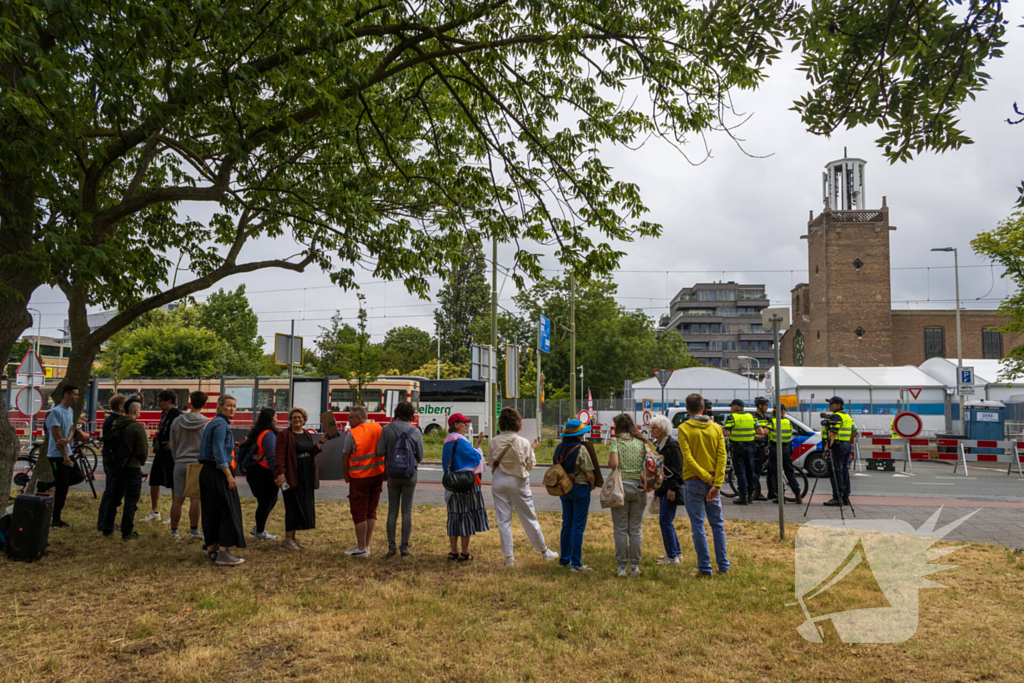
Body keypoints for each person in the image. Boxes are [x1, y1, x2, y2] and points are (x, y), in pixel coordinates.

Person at [488, 407, 559, 567]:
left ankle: (509, 558)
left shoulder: (493, 441)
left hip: (499, 480)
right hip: (518, 481)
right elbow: (530, 465)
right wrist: (532, 450)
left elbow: (491, 463)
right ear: (518, 423)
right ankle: (544, 551)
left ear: (501, 423)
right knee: (529, 517)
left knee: (503, 521)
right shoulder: (524, 442)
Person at [677, 393, 730, 577]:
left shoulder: (684, 428)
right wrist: (716, 483)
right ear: (703, 408)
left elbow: (688, 458)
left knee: (698, 526)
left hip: (693, 481)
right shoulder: (716, 428)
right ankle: (723, 566)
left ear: (687, 409)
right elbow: (722, 456)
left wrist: (705, 478)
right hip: (714, 482)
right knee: (718, 525)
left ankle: (705, 567)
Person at [198, 394, 246, 566]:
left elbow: (214, 447)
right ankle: (224, 552)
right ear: (219, 406)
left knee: (211, 511)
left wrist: (228, 447)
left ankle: (212, 550)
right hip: (218, 472)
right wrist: (228, 475)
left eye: (234, 406)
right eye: (228, 405)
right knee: (229, 511)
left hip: (207, 472)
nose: (232, 409)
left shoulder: (212, 423)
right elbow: (217, 451)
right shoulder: (221, 424)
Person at [376, 401, 424, 558]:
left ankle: (391, 547)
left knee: (392, 510)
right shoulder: (415, 431)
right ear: (410, 414)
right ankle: (404, 547)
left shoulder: (387, 429)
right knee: (407, 511)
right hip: (410, 475)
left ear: (396, 412)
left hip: (392, 474)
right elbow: (421, 456)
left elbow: (379, 451)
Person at [274, 407, 326, 552]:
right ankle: (287, 540)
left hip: (306, 475)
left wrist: (321, 441)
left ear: (304, 419)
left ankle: (293, 537)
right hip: (291, 474)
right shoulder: (284, 435)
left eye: (300, 417)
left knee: (301, 505)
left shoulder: (307, 434)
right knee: (292, 505)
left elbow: (311, 452)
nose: (297, 419)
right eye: (294, 417)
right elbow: (279, 456)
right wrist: (281, 473)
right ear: (290, 420)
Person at [608, 413, 651, 576]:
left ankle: (621, 567)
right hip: (640, 488)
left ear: (618, 427)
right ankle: (635, 566)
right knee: (635, 529)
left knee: (620, 529)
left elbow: (613, 464)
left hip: (621, 488)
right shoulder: (642, 442)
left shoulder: (616, 441)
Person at [441, 413, 489, 562]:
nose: (466, 425)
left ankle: (453, 551)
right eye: (463, 423)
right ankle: (465, 552)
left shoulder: (447, 441)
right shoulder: (460, 441)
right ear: (455, 424)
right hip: (466, 484)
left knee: (454, 517)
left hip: (452, 485)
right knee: (465, 517)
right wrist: (478, 449)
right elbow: (475, 459)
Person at [99, 397, 148, 540]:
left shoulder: (116, 423)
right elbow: (143, 450)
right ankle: (127, 531)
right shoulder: (136, 427)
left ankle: (107, 528)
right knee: (131, 500)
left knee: (113, 497)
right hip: (132, 467)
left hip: (116, 466)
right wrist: (142, 461)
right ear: (136, 410)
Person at [341, 405, 384, 557]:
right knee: (371, 511)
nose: (348, 421)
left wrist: (346, 474)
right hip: (377, 475)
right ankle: (366, 545)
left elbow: (346, 455)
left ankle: (360, 549)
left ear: (358, 418)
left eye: (350, 418)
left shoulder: (353, 434)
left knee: (359, 512)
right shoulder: (378, 427)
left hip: (359, 477)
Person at [554, 419, 595, 572]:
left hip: (564, 488)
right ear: (579, 435)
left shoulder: (559, 448)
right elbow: (590, 473)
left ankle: (564, 559)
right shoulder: (581, 449)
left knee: (567, 524)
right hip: (580, 487)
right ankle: (576, 563)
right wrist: (591, 487)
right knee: (578, 526)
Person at [167, 391, 207, 540]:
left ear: (190, 402)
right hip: (197, 463)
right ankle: (194, 530)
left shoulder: (177, 421)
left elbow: (173, 443)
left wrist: (177, 458)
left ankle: (174, 531)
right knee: (195, 499)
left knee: (177, 498)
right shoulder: (206, 422)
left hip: (180, 461)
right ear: (204, 404)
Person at [141, 390, 181, 523]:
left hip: (171, 454)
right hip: (160, 452)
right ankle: (155, 511)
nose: (158, 404)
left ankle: (173, 513)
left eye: (160, 401)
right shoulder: (164, 414)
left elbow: (182, 433)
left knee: (172, 483)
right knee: (154, 481)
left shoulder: (178, 415)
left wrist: (174, 443)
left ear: (169, 401)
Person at [651, 415, 685, 566]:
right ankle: (675, 552)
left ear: (663, 430)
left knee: (665, 521)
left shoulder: (672, 445)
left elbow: (677, 470)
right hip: (664, 488)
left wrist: (672, 488)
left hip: (670, 488)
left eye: (654, 428)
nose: (651, 431)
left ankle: (672, 556)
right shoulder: (661, 445)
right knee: (666, 520)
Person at [242, 407, 280, 541]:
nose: (277, 419)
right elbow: (272, 456)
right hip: (264, 472)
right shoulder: (269, 434)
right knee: (266, 502)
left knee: (268, 500)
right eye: (275, 416)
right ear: (270, 419)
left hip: (255, 471)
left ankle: (259, 527)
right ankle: (259, 532)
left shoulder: (258, 433)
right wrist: (277, 473)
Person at [45, 385, 79, 528]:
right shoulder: (55, 412)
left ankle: (45, 485)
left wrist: (69, 439)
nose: (77, 397)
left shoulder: (70, 410)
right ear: (66, 395)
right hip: (57, 455)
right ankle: (55, 519)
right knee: (62, 488)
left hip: (67, 451)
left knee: (78, 476)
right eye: (75, 395)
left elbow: (71, 429)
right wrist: (65, 454)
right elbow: (57, 435)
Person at [96, 393, 127, 532]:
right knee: (111, 491)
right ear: (121, 407)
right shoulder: (115, 420)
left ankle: (104, 521)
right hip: (113, 460)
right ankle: (103, 522)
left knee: (111, 491)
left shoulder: (111, 419)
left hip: (110, 458)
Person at [767, 404, 803, 505]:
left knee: (776, 474)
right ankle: (797, 495)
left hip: (775, 449)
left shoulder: (772, 421)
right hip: (786, 449)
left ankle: (780, 497)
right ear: (784, 411)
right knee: (789, 472)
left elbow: (765, 432)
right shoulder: (788, 422)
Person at [824, 396, 857, 507]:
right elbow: (855, 431)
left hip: (837, 446)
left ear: (838, 405)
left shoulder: (836, 416)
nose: (829, 405)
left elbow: (832, 433)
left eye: (831, 403)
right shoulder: (847, 416)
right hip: (846, 445)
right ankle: (845, 497)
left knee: (836, 472)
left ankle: (837, 497)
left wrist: (827, 448)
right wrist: (847, 439)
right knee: (844, 472)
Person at [723, 399, 756, 506]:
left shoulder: (732, 417)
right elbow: (760, 431)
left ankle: (743, 496)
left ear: (736, 407)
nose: (730, 408)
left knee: (740, 472)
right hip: (750, 447)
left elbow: (726, 433)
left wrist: (723, 428)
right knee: (750, 471)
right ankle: (751, 495)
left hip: (738, 448)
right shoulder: (751, 417)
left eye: (731, 406)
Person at [752, 396, 772, 501]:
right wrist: (762, 435)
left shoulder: (767, 418)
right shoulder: (754, 418)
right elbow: (751, 434)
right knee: (757, 470)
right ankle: (755, 492)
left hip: (766, 447)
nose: (767, 407)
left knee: (769, 470)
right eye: (766, 405)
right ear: (760, 406)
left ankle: (772, 492)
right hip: (757, 448)